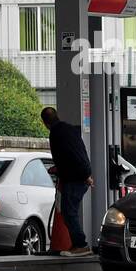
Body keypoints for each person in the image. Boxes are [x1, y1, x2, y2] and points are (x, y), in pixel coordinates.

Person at [41, 106, 94, 257]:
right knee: (69, 212)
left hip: (75, 178)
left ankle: (81, 245)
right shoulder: (70, 129)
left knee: (69, 212)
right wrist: (86, 174)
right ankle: (77, 244)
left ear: (44, 122)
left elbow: (71, 155)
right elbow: (78, 152)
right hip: (80, 175)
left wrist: (85, 176)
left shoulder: (57, 134)